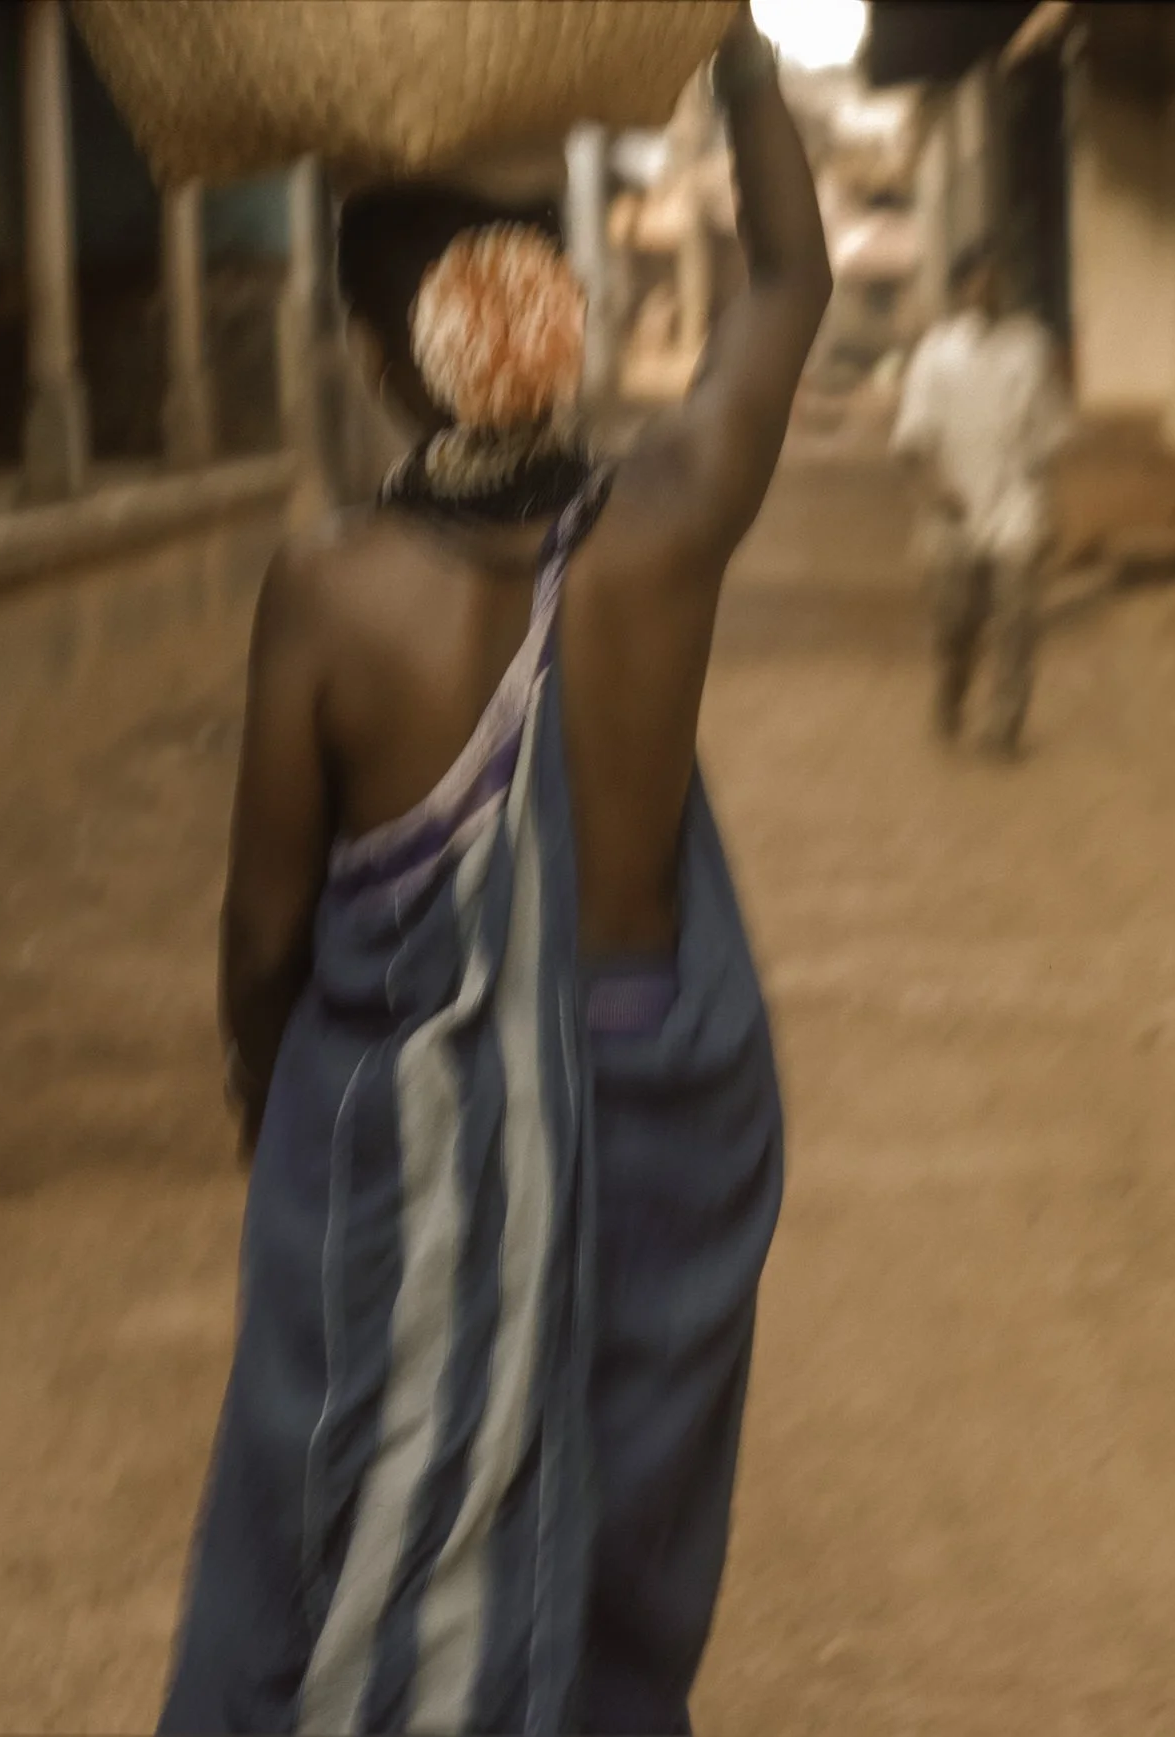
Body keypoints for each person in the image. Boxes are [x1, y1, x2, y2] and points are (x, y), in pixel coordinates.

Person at [156, 10, 828, 1735]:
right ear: (557, 338)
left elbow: (260, 926)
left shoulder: (329, 594)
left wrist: (274, 1092)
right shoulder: (669, 521)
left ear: (386, 366)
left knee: (338, 1527)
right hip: (663, 1101)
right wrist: (739, 47)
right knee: (621, 1516)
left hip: (414, 1131)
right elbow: (790, 287)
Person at [890, 241, 1072, 758]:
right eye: (978, 280)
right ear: (961, 288)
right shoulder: (936, 354)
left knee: (1017, 619)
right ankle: (951, 694)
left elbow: (1049, 438)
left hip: (1016, 503)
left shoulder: (1030, 349)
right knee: (956, 623)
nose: (989, 289)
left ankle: (1003, 727)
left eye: (998, 279)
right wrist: (935, 489)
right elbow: (912, 442)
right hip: (952, 509)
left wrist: (1051, 511)